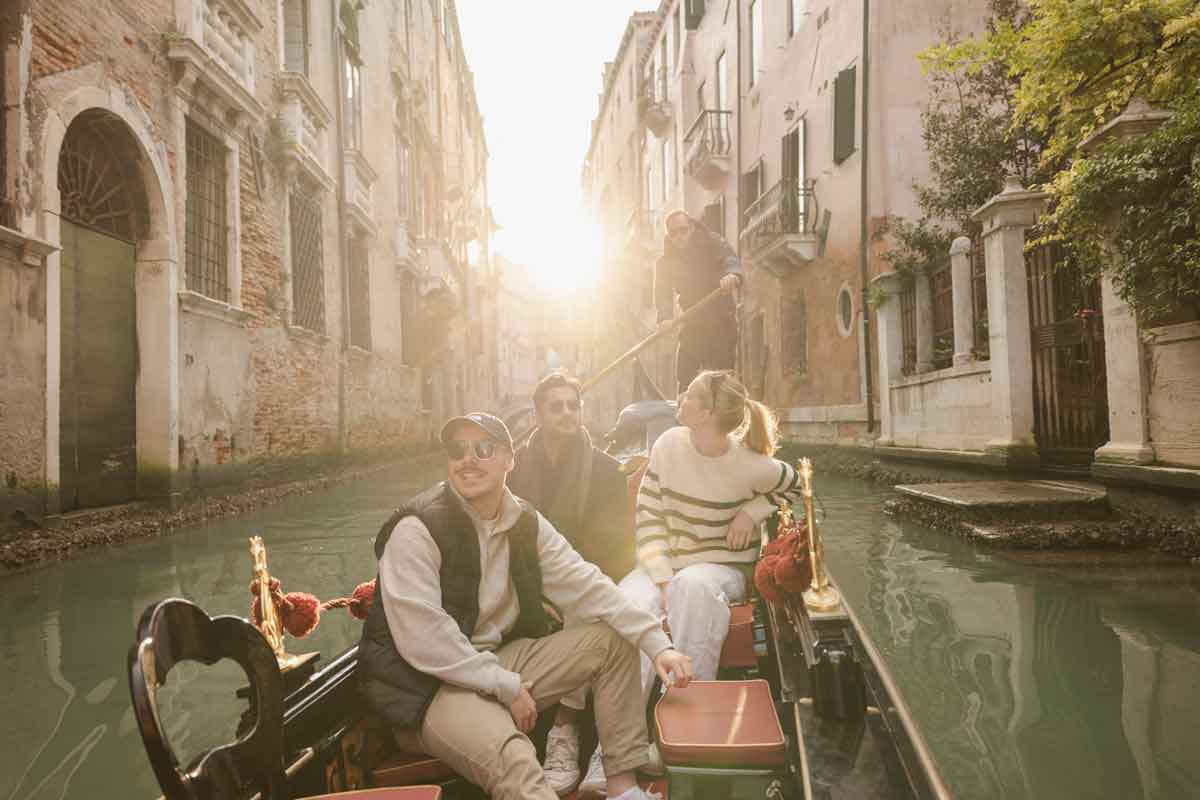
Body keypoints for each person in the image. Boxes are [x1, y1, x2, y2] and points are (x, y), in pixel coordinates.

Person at [358, 412, 693, 800]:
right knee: (517, 760)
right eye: (457, 450)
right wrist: (506, 686)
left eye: (484, 448)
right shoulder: (417, 529)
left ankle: (622, 789)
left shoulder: (524, 521)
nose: (468, 460)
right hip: (426, 688)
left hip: (495, 660)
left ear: (509, 459)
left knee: (614, 643)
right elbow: (425, 640)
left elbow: (588, 585)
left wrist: (657, 644)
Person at [613, 371, 803, 755]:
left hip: (720, 568)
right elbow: (649, 519)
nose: (681, 395)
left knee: (693, 587)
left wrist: (753, 511)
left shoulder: (750, 464)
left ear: (707, 414)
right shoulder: (668, 445)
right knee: (627, 603)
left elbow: (799, 487)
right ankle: (620, 741)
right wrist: (662, 579)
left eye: (691, 393)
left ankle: (681, 720)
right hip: (662, 565)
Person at [509, 373, 637, 794]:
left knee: (585, 605)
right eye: (556, 406)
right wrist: (533, 595)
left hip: (586, 576)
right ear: (537, 415)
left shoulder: (606, 470)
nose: (567, 413)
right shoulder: (512, 468)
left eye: (573, 405)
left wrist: (565, 590)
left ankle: (566, 727)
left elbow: (615, 548)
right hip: (527, 584)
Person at [654, 210, 742, 395]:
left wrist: (732, 275)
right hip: (692, 321)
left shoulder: (712, 242)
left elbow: (730, 259)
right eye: (673, 233)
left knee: (722, 378)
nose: (679, 236)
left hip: (721, 318)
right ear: (669, 236)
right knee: (685, 374)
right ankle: (684, 407)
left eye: (683, 230)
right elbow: (662, 292)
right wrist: (664, 317)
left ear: (692, 228)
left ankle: (723, 407)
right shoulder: (665, 262)